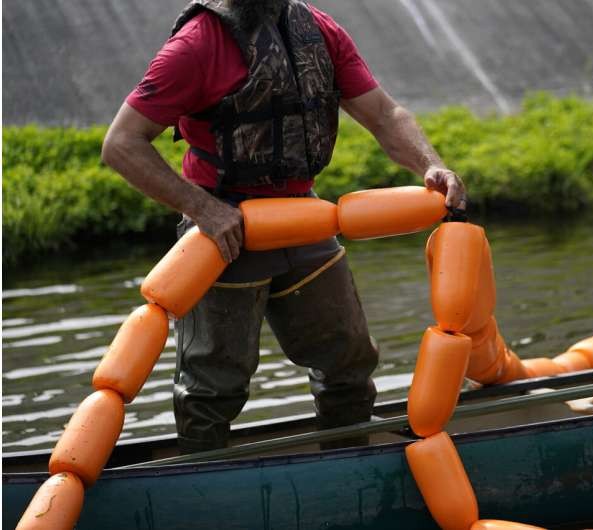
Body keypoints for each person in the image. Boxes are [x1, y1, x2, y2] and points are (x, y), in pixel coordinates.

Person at [102, 0, 467, 453]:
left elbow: (384, 114)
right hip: (223, 234)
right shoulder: (197, 44)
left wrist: (431, 165)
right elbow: (121, 143)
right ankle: (204, 488)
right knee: (214, 384)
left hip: (303, 218)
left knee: (350, 364)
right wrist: (203, 209)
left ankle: (348, 466)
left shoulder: (320, 31)